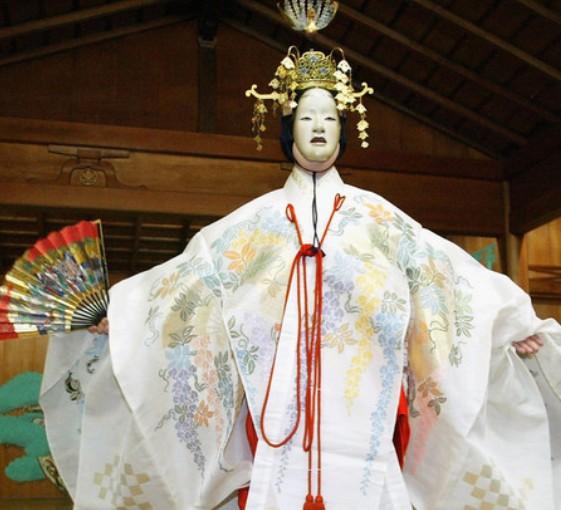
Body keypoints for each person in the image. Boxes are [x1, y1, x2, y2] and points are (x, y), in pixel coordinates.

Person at [41, 48, 560, 510]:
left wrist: (512, 321)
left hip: (367, 420)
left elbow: (447, 273)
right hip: (275, 422)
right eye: (307, 116)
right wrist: (124, 317)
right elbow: (189, 280)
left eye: (330, 117)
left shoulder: (380, 220)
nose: (319, 126)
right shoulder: (250, 224)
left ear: (344, 128)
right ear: (288, 128)